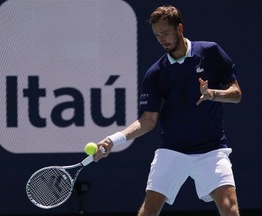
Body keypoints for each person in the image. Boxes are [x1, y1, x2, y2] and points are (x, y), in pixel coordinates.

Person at [94, 4, 242, 216]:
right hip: (172, 150)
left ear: (179, 29)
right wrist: (113, 140)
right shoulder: (155, 73)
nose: (162, 39)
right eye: (157, 35)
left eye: (165, 33)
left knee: (230, 208)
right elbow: (147, 120)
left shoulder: (210, 52)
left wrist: (213, 94)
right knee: (149, 210)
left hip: (211, 149)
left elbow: (236, 94)